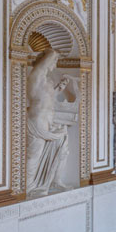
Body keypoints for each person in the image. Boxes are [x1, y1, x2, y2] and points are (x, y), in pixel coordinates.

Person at [25, 49, 73, 197]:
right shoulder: (36, 75)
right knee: (34, 155)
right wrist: (53, 53)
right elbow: (39, 99)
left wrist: (59, 88)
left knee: (62, 150)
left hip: (49, 122)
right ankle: (28, 187)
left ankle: (55, 181)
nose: (55, 65)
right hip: (37, 123)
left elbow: (46, 97)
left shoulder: (46, 80)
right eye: (54, 61)